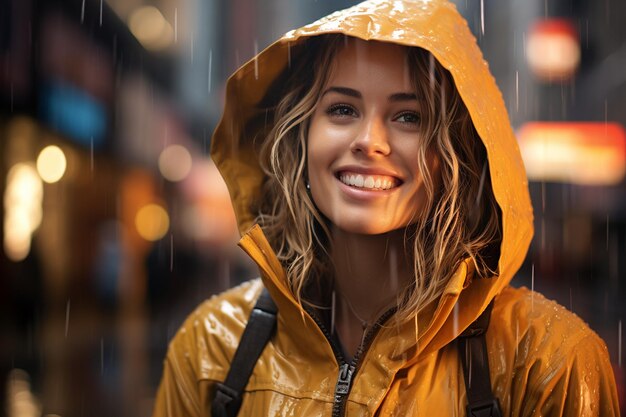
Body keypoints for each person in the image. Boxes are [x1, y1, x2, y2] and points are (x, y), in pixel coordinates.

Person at [153, 0, 620, 415]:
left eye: (408, 117)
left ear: (456, 156)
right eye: (342, 109)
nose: (369, 142)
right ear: (299, 136)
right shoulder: (211, 347)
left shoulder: (549, 363)